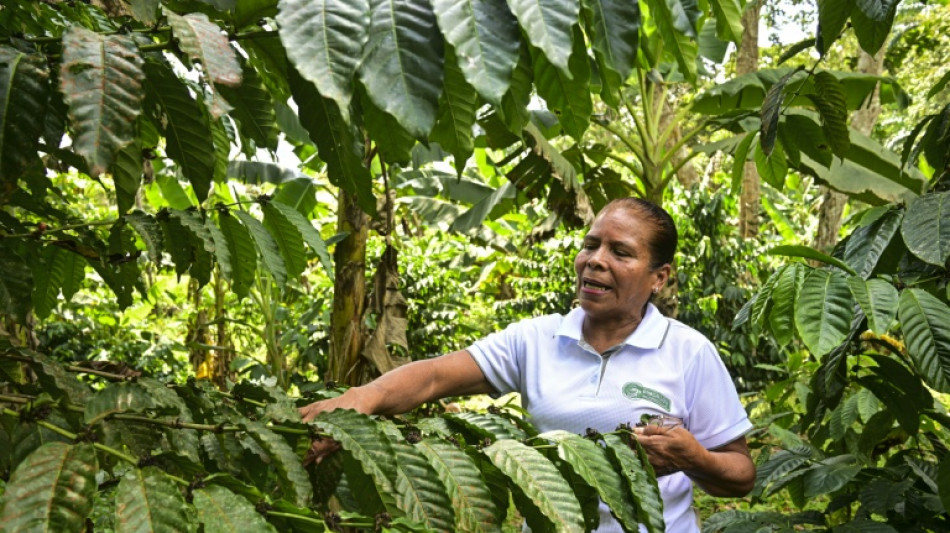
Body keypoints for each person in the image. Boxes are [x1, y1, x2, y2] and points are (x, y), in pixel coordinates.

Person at [300, 197, 755, 532]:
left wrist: (694, 458)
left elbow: (740, 474)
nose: (595, 261)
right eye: (591, 245)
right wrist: (362, 398)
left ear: (659, 277)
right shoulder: (538, 339)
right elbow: (435, 376)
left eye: (620, 252)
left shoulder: (687, 352)